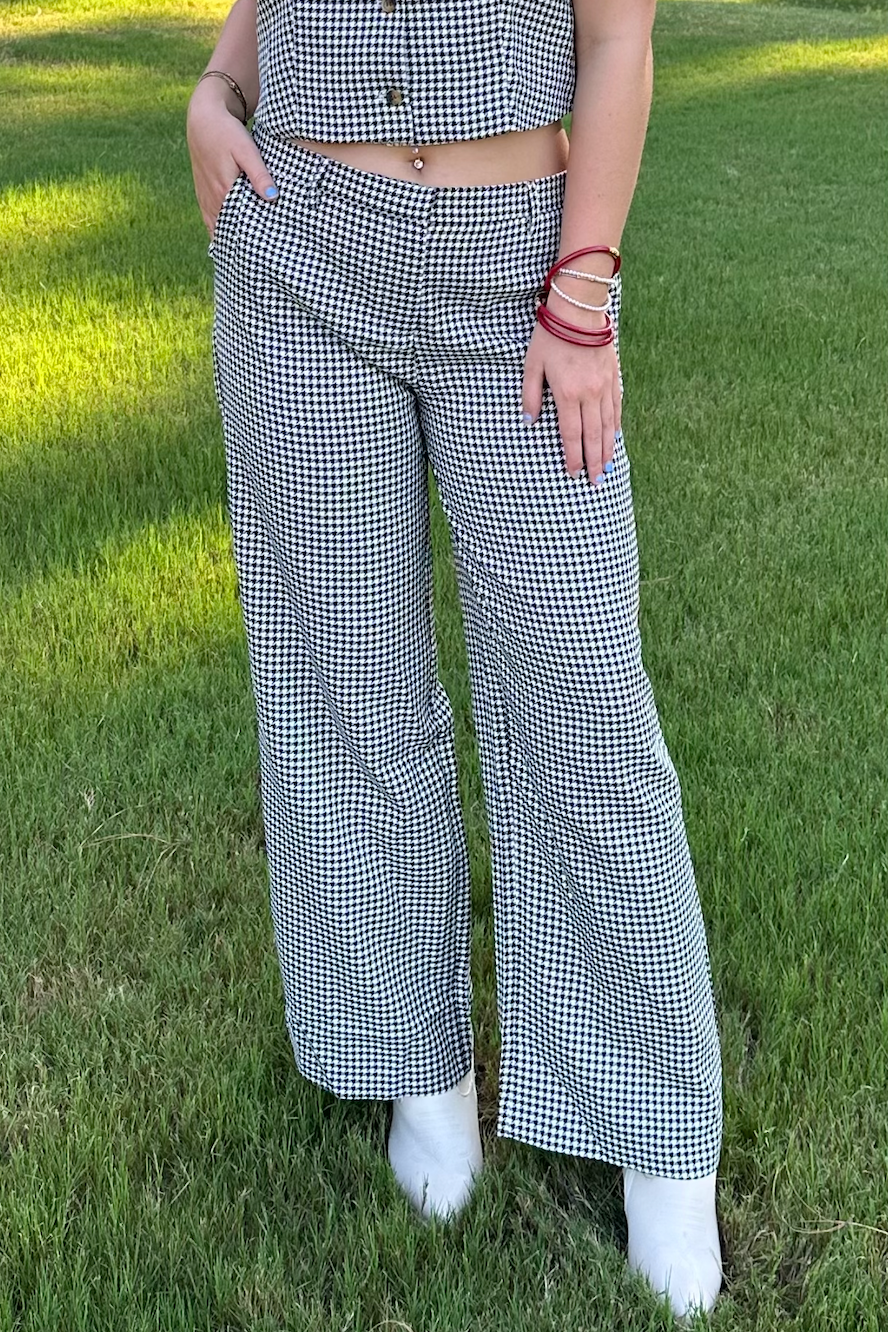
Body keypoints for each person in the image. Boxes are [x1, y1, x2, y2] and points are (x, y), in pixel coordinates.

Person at [186, 0, 724, 1317]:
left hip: (525, 264)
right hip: (299, 248)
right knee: (344, 693)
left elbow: (615, 39)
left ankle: (658, 1129)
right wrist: (211, 90)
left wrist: (585, 288)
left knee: (581, 703)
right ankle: (420, 1079)